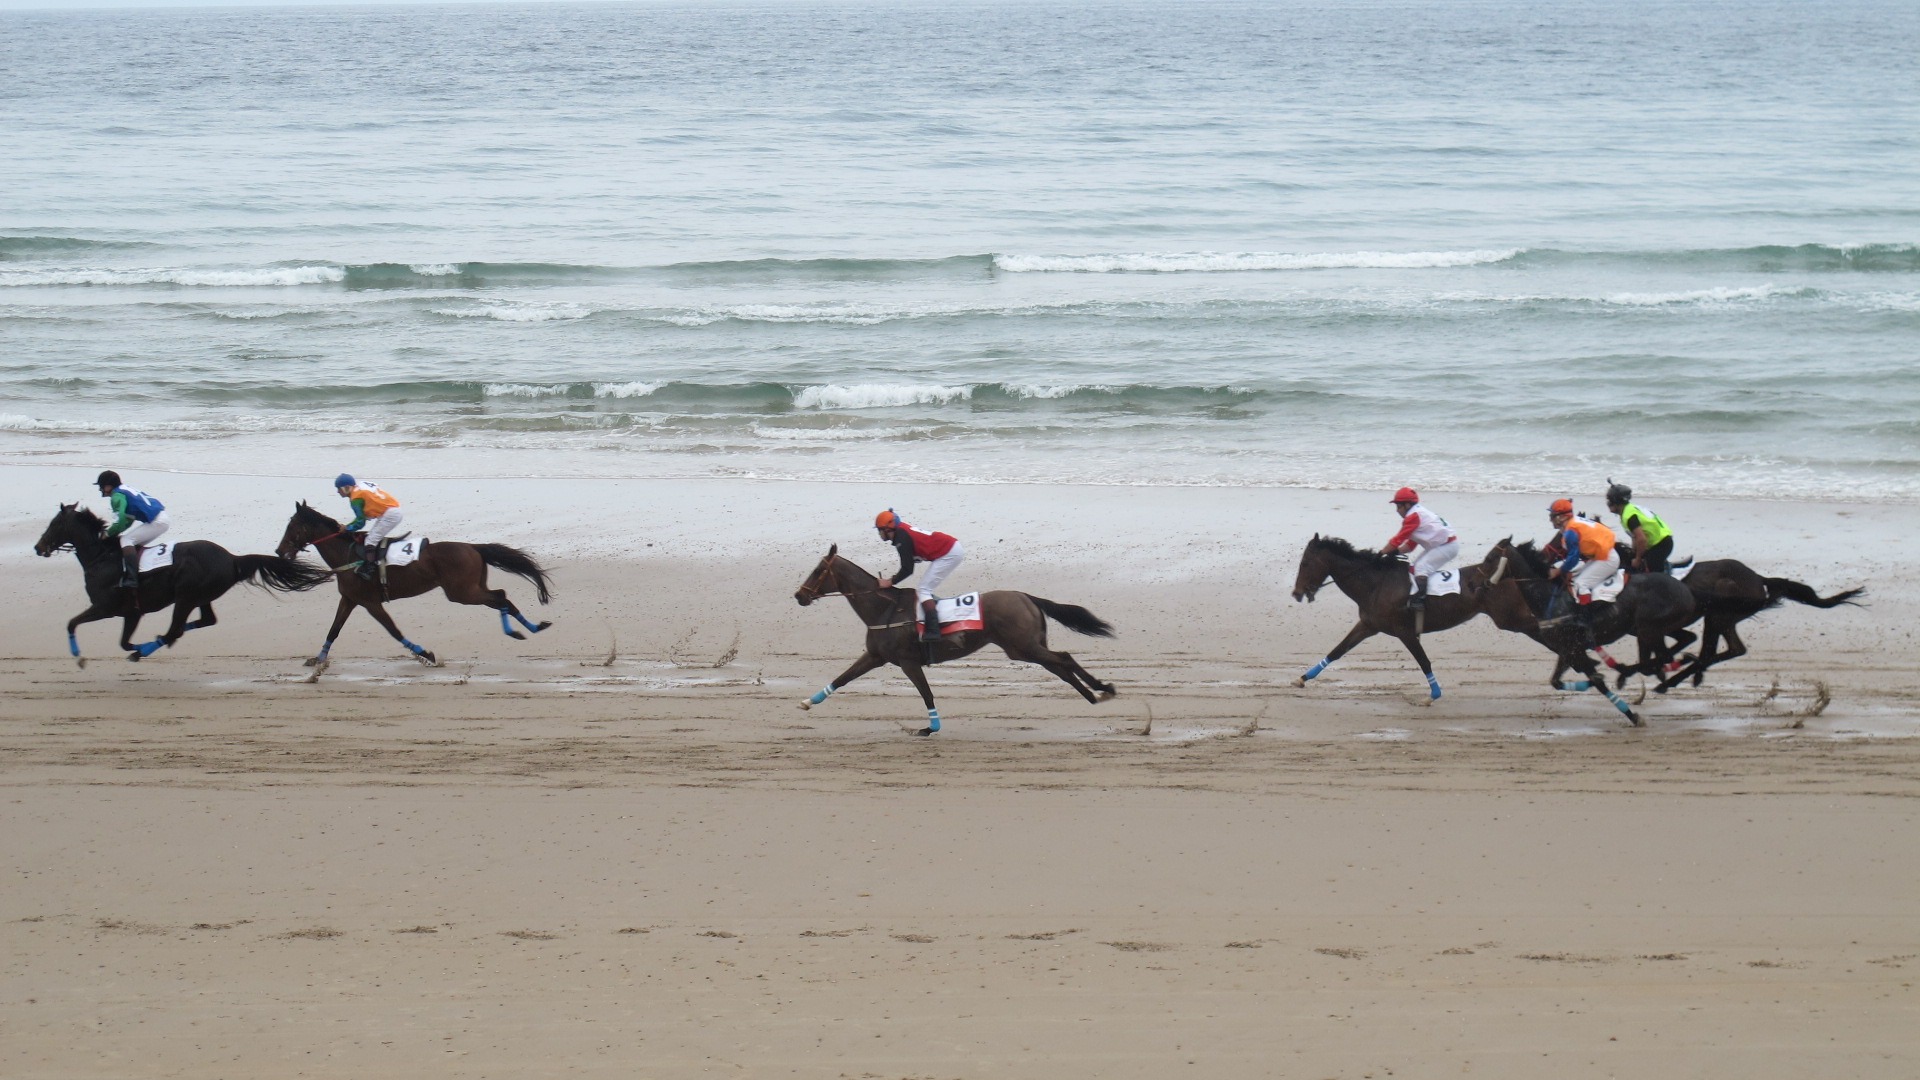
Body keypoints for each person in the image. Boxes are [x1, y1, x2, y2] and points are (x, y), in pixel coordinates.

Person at [875, 509, 963, 643]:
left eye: (879, 530)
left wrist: (890, 582)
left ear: (887, 529)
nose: (879, 533)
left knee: (923, 590)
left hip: (949, 553)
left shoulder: (901, 538)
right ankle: (935, 613)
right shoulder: (900, 532)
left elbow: (907, 569)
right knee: (925, 588)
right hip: (949, 548)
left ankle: (933, 631)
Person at [1380, 487, 1458, 611]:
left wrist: (1380, 553)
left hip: (1447, 546)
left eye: (1398, 506)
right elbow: (1411, 545)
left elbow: (1397, 540)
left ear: (1407, 505)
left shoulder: (1413, 516)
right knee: (1412, 569)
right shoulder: (1417, 514)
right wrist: (1396, 551)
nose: (1397, 511)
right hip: (1440, 545)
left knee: (1421, 568)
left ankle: (1419, 601)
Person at [1544, 497, 1619, 628]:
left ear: (1561, 517)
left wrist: (1560, 570)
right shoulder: (1572, 524)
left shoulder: (1570, 532)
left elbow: (1573, 558)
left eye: (1552, 516)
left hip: (1607, 559)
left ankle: (1587, 620)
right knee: (1575, 578)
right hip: (1601, 556)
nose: (1550, 519)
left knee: (1581, 584)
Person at [96, 470, 169, 591]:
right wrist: (115, 532)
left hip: (157, 521)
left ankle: (132, 580)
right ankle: (141, 573)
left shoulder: (116, 497)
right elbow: (127, 522)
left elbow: (120, 522)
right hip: (161, 518)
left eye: (101, 486)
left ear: (108, 486)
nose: (101, 489)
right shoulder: (124, 489)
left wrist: (108, 533)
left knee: (126, 540)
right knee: (131, 542)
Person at [335, 474, 404, 580]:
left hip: (390, 514)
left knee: (370, 541)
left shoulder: (355, 499)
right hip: (390, 511)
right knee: (371, 537)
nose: (338, 492)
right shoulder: (360, 487)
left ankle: (369, 569)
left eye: (339, 489)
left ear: (346, 487)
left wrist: (347, 528)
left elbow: (360, 522)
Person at [1605, 480, 1674, 572]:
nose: (1608, 504)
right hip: (1662, 540)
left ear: (1617, 502)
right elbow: (1635, 537)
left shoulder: (1628, 516)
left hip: (1660, 544)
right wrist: (1634, 553)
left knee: (1654, 573)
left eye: (1610, 501)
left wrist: (1637, 559)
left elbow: (1641, 539)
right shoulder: (1630, 509)